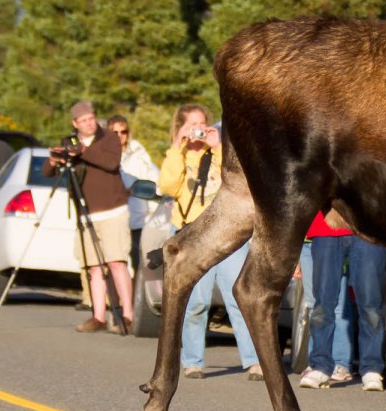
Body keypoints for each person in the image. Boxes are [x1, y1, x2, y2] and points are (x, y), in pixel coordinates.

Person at [158, 104, 262, 381]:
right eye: (191, 125)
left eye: (202, 124)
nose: (198, 131)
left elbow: (239, 181)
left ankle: (254, 361)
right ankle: (192, 361)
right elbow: (167, 187)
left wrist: (218, 147)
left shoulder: (218, 152)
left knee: (240, 298)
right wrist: (178, 148)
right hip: (193, 233)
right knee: (195, 301)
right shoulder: (177, 155)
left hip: (226, 231)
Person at [43, 100, 134, 333]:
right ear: (75, 123)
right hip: (86, 214)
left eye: (91, 118)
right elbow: (47, 172)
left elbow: (111, 163)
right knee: (94, 267)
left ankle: (127, 314)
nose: (89, 123)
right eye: (83, 121)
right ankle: (98, 316)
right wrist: (55, 159)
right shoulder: (69, 141)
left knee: (116, 262)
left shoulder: (109, 138)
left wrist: (84, 151)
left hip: (113, 210)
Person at [299, 211, 386, 392]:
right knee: (323, 305)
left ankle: (372, 368)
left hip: (369, 228)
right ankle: (320, 366)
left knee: (370, 305)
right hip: (326, 228)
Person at [295, 234, 355, 382]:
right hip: (306, 243)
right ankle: (316, 360)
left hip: (335, 241)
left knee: (338, 306)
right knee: (313, 304)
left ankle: (340, 362)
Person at [106, 114, 158, 270]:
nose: (120, 136)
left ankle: (135, 295)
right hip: (113, 219)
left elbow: (155, 183)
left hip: (137, 221)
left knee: (139, 265)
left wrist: (153, 213)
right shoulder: (103, 156)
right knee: (114, 266)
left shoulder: (139, 155)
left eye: (124, 132)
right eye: (115, 133)